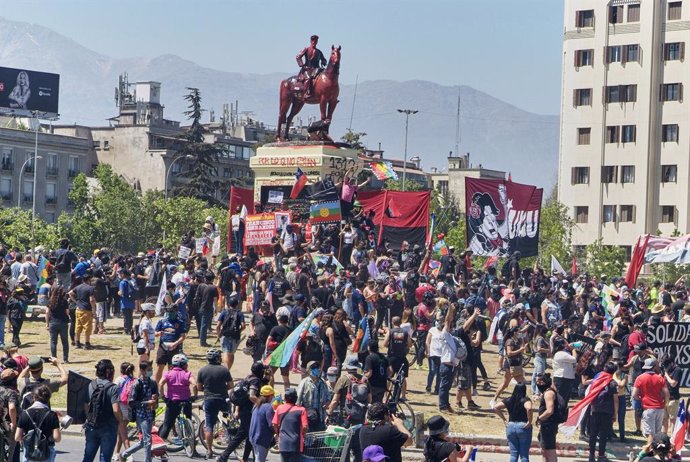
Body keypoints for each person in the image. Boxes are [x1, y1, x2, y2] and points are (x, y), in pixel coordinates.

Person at [82, 359, 123, 462]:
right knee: (105, 458)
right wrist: (120, 421)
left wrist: (90, 418)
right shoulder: (113, 388)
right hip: (108, 427)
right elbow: (116, 410)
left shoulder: (90, 385)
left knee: (88, 457)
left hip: (92, 426)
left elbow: (86, 405)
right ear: (110, 372)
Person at [197, 349, 233, 460]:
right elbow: (231, 385)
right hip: (223, 399)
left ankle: (209, 450)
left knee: (209, 426)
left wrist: (208, 389)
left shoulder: (202, 370)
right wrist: (222, 388)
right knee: (230, 420)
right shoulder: (224, 370)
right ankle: (230, 437)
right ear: (218, 358)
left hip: (210, 400)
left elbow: (199, 387)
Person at [120, 361, 158, 462]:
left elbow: (156, 400)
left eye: (151, 369)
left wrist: (155, 400)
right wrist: (146, 403)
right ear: (142, 371)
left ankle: (125, 454)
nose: (150, 372)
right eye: (148, 370)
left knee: (144, 441)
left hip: (150, 414)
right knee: (148, 440)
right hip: (141, 415)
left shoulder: (153, 383)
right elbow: (131, 402)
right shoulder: (136, 384)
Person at [14, 385, 61, 462]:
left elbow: (17, 437)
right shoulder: (52, 415)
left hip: (29, 452)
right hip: (46, 453)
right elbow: (57, 438)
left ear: (34, 397)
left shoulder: (24, 414)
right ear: (48, 398)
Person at [633, 358, 669, 445]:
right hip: (659, 408)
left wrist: (642, 399)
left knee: (650, 434)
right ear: (654, 367)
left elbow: (634, 395)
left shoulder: (640, 378)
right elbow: (667, 393)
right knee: (657, 433)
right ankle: (657, 452)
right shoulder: (660, 378)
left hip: (648, 408)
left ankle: (650, 453)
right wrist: (665, 403)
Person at [493, 383, 533, 462]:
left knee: (513, 454)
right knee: (524, 455)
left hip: (510, 426)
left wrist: (504, 419)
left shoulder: (509, 399)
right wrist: (530, 421)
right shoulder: (525, 399)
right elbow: (529, 408)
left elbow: (496, 407)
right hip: (523, 426)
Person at [587, 362, 618, 462]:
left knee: (593, 433)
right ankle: (601, 456)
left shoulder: (597, 380)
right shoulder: (613, 383)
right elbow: (615, 400)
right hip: (607, 412)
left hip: (595, 410)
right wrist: (615, 413)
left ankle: (591, 455)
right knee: (603, 434)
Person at [273, 387, 308, 462]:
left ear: (285, 398)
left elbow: (274, 424)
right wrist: (303, 434)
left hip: (283, 442)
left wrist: (278, 434)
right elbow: (305, 427)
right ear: (296, 398)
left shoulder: (279, 408)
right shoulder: (301, 410)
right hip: (296, 443)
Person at [154, 305, 186, 383]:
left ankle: (171, 388)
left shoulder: (180, 322)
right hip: (163, 347)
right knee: (159, 367)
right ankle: (156, 389)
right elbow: (155, 332)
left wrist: (175, 343)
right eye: (167, 311)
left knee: (172, 369)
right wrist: (158, 333)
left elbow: (183, 336)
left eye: (171, 311)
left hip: (174, 347)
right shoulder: (162, 321)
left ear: (176, 312)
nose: (169, 313)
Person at [296, 361, 330, 431]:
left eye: (318, 367)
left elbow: (328, 396)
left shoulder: (323, 382)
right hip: (308, 417)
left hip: (320, 417)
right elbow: (298, 400)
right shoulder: (304, 382)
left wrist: (327, 404)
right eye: (314, 368)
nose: (317, 369)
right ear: (309, 370)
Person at [384, 316, 412, 400]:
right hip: (402, 357)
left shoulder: (391, 331)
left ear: (392, 322)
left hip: (392, 357)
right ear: (400, 323)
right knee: (402, 377)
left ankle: (385, 396)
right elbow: (410, 344)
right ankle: (403, 396)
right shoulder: (405, 332)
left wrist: (391, 346)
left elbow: (385, 343)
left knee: (388, 377)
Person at [216, 295, 245, 371]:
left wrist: (219, 335)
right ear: (237, 304)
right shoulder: (239, 313)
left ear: (229, 304)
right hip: (235, 336)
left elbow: (218, 326)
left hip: (225, 335)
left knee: (225, 352)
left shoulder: (224, 312)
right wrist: (239, 331)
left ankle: (225, 371)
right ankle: (228, 370)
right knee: (231, 354)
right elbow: (243, 326)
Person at [249, 385, 276, 462]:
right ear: (270, 396)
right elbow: (271, 425)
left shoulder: (256, 404)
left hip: (253, 437)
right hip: (261, 438)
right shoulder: (268, 407)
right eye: (272, 395)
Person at [535, 373, 558, 462]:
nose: (538, 384)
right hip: (546, 425)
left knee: (550, 452)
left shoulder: (549, 393)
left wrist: (539, 418)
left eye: (540, 382)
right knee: (544, 451)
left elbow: (549, 410)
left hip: (549, 425)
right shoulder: (547, 391)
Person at [114, 362, 135, 460]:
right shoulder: (135, 380)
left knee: (123, 434)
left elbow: (113, 393)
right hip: (130, 409)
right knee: (120, 432)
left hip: (120, 409)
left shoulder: (119, 379)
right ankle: (117, 453)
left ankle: (129, 454)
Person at [68, 276, 96, 349]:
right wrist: (94, 309)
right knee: (87, 327)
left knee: (78, 326)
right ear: (89, 280)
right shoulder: (90, 288)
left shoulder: (78, 287)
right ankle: (87, 343)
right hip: (87, 309)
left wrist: (75, 301)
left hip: (78, 309)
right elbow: (91, 300)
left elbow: (70, 293)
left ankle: (77, 342)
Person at [46, 284, 70, 363]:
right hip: (63, 322)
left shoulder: (50, 301)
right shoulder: (64, 301)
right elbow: (67, 312)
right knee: (65, 341)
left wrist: (47, 324)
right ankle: (65, 359)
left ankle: (54, 358)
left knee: (53, 342)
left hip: (53, 322)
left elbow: (47, 312)